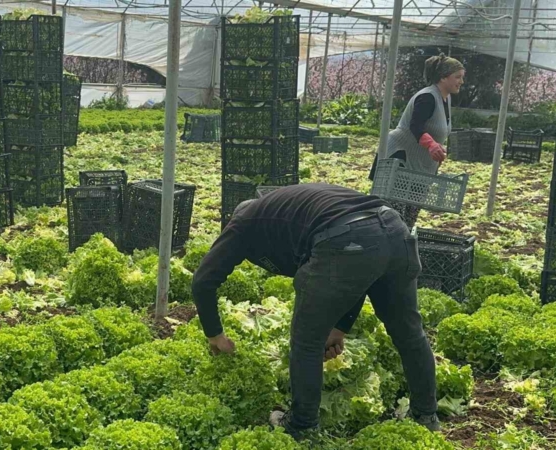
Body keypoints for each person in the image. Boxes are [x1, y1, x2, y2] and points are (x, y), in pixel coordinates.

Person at [191, 183, 439, 440]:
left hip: (347, 236)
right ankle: (425, 415)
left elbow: (203, 281)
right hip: (394, 231)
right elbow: (357, 274)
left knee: (307, 340)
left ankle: (301, 425)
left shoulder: (242, 224)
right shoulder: (288, 211)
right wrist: (339, 328)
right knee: (409, 332)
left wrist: (215, 336)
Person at [369, 53, 465, 229]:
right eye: (457, 77)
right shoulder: (427, 97)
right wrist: (432, 144)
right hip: (400, 158)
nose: (461, 81)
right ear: (443, 77)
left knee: (410, 216)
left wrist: (436, 147)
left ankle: (402, 250)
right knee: (393, 215)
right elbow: (416, 126)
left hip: (419, 163)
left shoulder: (445, 97)